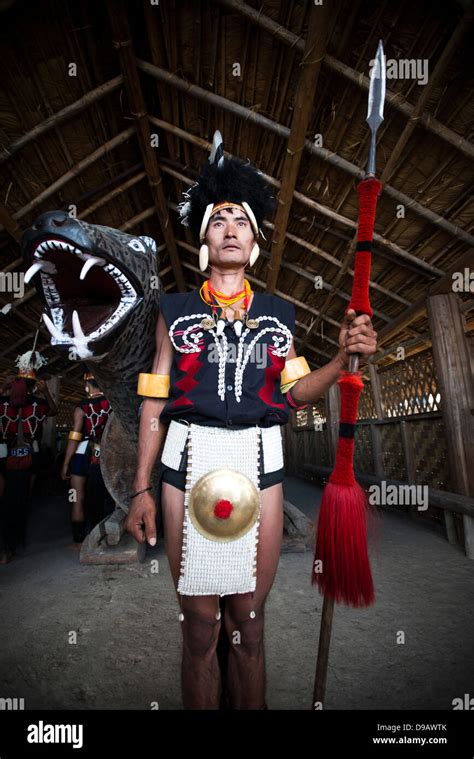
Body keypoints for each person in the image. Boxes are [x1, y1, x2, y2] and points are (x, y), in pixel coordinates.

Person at [125, 132, 377, 709]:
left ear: (255, 243)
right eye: (219, 221)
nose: (231, 229)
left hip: (261, 462)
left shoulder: (279, 315)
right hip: (183, 464)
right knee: (198, 627)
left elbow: (295, 394)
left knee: (250, 624)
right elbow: (155, 404)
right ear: (205, 242)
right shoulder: (173, 311)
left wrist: (342, 361)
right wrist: (140, 488)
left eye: (242, 221)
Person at [0, 350, 57, 564]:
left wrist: (4, 389)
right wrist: (46, 392)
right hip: (29, 457)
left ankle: (7, 545)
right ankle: (12, 542)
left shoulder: (2, 402)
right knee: (22, 500)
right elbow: (53, 410)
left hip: (6, 455)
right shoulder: (39, 404)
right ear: (34, 386)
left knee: (7, 501)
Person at [61, 370, 113, 541]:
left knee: (78, 496)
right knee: (106, 495)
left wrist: (66, 463)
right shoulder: (113, 403)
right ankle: (100, 535)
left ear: (87, 386)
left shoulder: (81, 406)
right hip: (107, 451)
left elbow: (75, 435)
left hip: (82, 452)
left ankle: (78, 539)